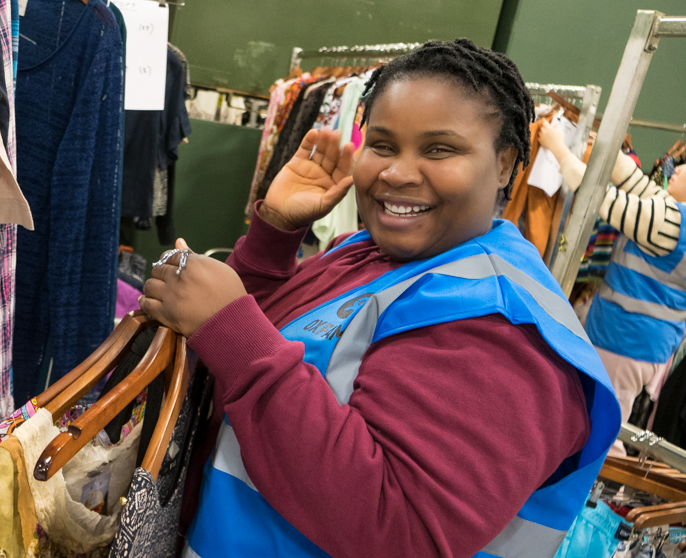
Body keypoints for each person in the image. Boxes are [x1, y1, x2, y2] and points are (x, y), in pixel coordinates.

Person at [139, 39, 620, 557]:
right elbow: (270, 355)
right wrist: (273, 238)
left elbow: (402, 531)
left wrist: (231, 326)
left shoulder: (501, 326)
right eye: (383, 145)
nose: (397, 172)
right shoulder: (373, 252)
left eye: (439, 149)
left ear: (505, 165)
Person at [539, 122, 686, 455]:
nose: (674, 168)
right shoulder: (673, 216)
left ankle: (595, 499)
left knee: (602, 428)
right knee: (597, 417)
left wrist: (558, 146)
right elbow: (640, 186)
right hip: (640, 342)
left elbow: (595, 195)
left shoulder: (670, 226)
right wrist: (603, 146)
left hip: (627, 341)